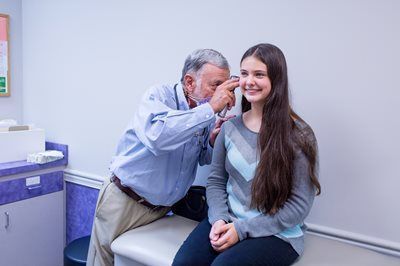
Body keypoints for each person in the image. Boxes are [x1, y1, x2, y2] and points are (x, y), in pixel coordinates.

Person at [86, 49, 239, 266]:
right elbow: (158, 138)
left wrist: (213, 140)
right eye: (216, 85)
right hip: (125, 202)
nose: (221, 93)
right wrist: (212, 107)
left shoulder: (203, 112)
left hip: (161, 211)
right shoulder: (158, 96)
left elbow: (203, 157)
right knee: (105, 263)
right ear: (189, 82)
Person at [173, 43, 322, 266]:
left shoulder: (300, 135)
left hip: (276, 234)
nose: (249, 81)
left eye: (259, 74)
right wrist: (219, 220)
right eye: (244, 74)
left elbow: (299, 207)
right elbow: (215, 181)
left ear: (277, 80)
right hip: (227, 220)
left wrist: (241, 230)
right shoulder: (229, 128)